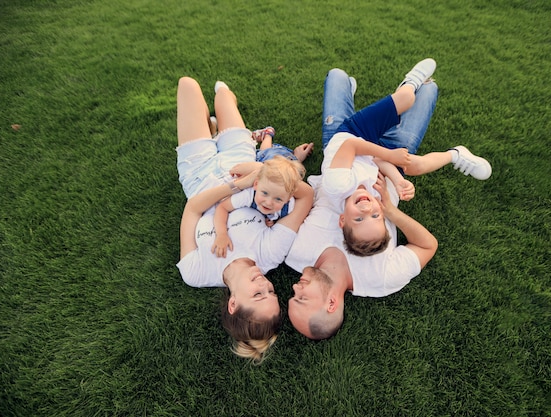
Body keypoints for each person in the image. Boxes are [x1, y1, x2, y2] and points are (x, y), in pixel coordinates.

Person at [286, 59, 492, 339]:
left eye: (293, 296)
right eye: (301, 297)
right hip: (393, 158)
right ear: (331, 303)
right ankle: (448, 147)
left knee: (337, 74)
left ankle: (355, 93)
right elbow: (428, 245)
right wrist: (390, 211)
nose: (294, 288)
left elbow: (292, 196)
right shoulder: (380, 279)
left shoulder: (294, 252)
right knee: (428, 89)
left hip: (343, 147)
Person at [175, 76, 313, 361]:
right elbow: (306, 196)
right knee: (223, 95)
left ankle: (211, 129)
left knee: (187, 85)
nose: (265, 283)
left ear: (234, 304)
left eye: (258, 294)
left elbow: (191, 210)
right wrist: (263, 174)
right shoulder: (270, 254)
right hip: (242, 162)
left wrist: (237, 186)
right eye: (271, 291)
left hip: (199, 177)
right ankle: (219, 120)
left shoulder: (196, 273)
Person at [211, 155, 309, 258]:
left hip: (279, 164)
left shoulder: (289, 207)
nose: (268, 202)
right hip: (260, 162)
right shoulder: (249, 195)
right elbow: (222, 207)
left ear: (289, 198)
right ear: (256, 184)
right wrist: (222, 234)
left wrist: (273, 221)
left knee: (289, 162)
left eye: (278, 199)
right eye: (265, 193)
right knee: (267, 154)